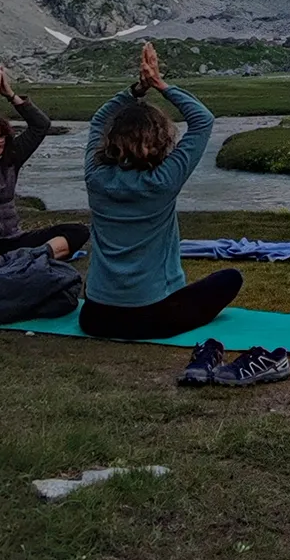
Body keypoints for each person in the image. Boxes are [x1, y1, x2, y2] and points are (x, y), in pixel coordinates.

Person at [80, 42, 242, 340]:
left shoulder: (95, 176)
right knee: (230, 279)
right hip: (150, 315)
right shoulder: (163, 180)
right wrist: (159, 83)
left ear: (112, 139)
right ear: (159, 139)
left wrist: (136, 90)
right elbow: (202, 120)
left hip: (95, 316)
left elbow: (98, 120)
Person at [0, 66, 89, 263]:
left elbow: (41, 125)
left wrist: (11, 95)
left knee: (77, 231)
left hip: (12, 239)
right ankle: (21, 260)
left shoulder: (12, 157)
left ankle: (6, 261)